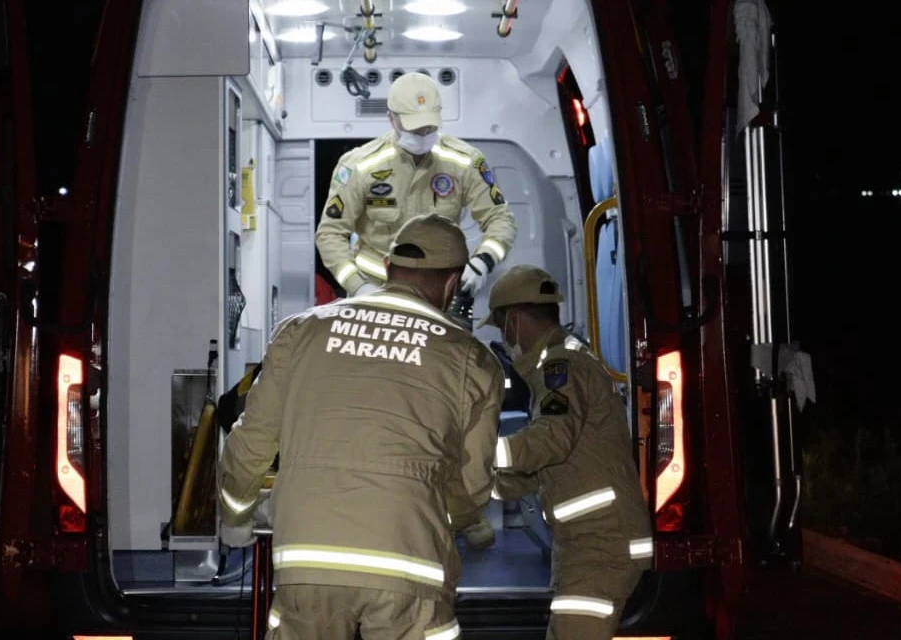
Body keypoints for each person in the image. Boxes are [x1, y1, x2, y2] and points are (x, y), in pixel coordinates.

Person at [218, 214, 506, 640]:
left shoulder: (301, 331)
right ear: (452, 284)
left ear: (387, 269)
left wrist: (236, 518)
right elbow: (472, 484)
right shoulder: (472, 359)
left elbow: (249, 443)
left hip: (307, 559)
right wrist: (442, 519)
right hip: (411, 563)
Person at [479, 265, 653, 640]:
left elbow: (552, 439)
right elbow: (551, 463)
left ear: (512, 322)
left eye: (500, 328)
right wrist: (483, 485)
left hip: (599, 545)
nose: (505, 340)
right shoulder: (566, 362)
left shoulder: (561, 366)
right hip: (590, 543)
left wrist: (477, 453)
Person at [315, 72, 517, 300]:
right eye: (414, 128)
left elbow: (500, 218)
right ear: (391, 118)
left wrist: (484, 260)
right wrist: (358, 286)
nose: (423, 134)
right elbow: (330, 234)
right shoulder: (360, 166)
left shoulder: (464, 161)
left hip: (441, 294)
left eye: (429, 127)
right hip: (376, 292)